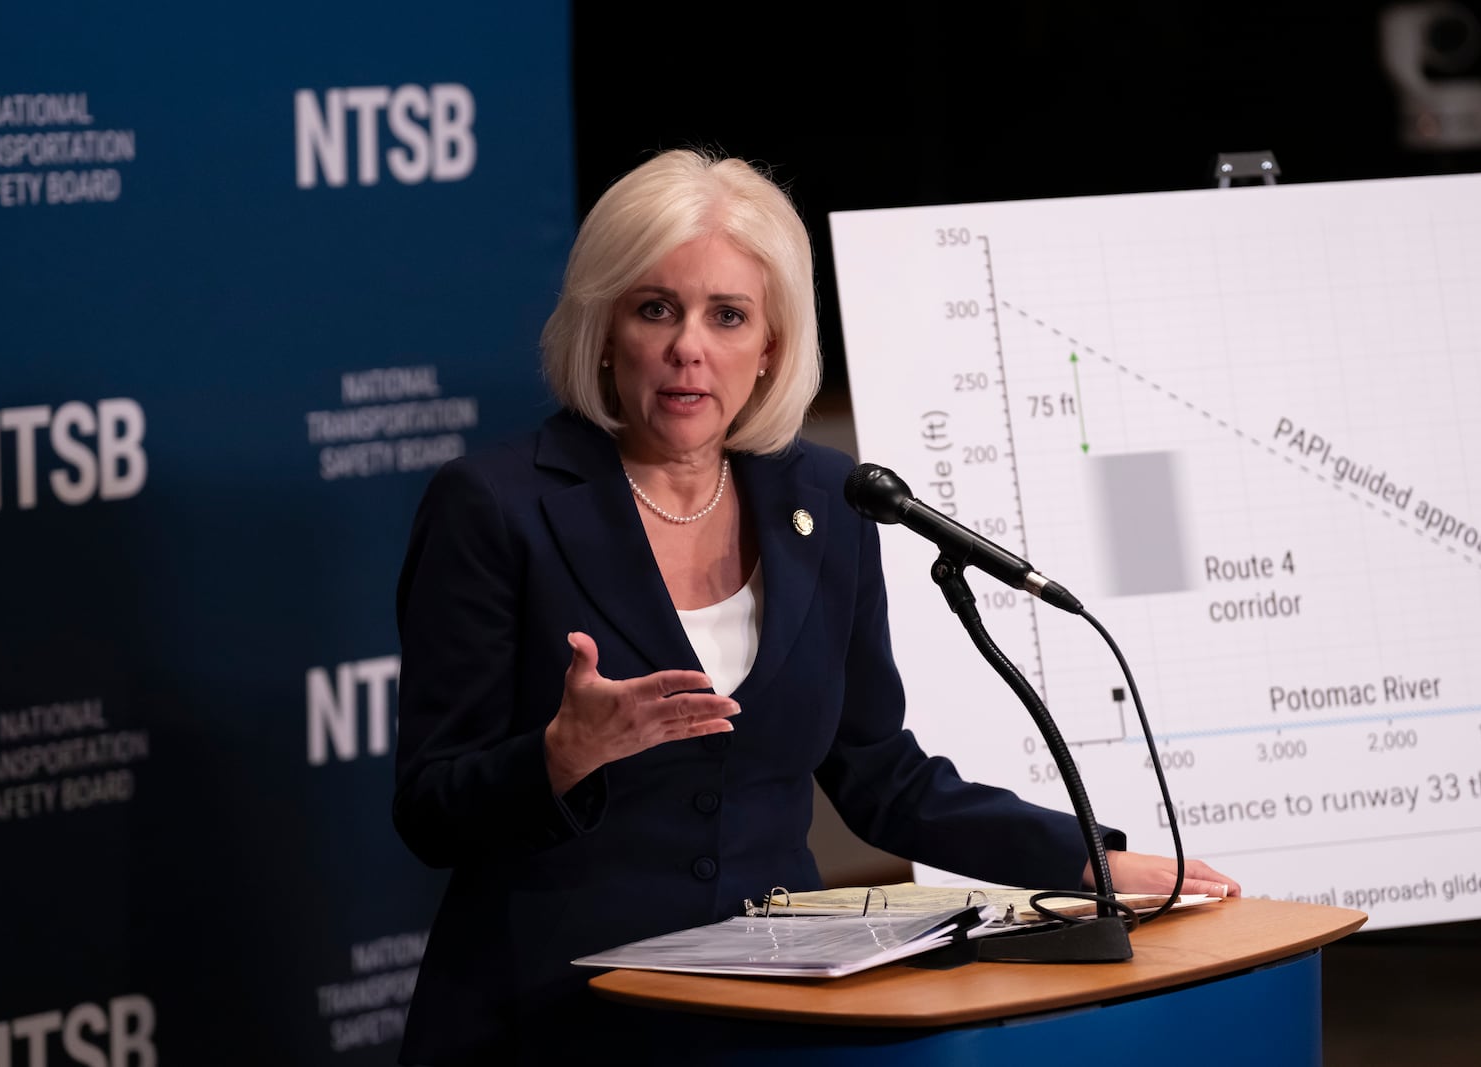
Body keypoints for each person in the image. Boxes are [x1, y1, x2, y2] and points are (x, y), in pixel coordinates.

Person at [391, 148, 1240, 1065]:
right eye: (654, 309)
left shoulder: (828, 501)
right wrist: (560, 757)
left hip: (780, 1018)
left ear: (772, 347)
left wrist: (1084, 860)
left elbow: (880, 773)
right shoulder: (495, 505)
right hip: (560, 1018)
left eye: (728, 315)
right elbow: (430, 808)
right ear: (602, 330)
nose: (689, 346)